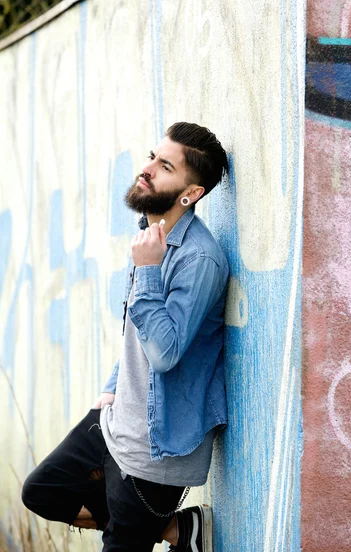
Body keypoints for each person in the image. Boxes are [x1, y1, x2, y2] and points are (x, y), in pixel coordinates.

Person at [22, 122, 229, 552]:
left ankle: (151, 529)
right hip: (116, 420)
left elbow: (165, 353)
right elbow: (137, 335)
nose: (148, 168)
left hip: (156, 449)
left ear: (190, 194)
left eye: (165, 165)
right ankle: (174, 531)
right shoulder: (150, 238)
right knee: (41, 491)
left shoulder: (199, 260)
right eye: (152, 156)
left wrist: (150, 270)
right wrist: (111, 389)